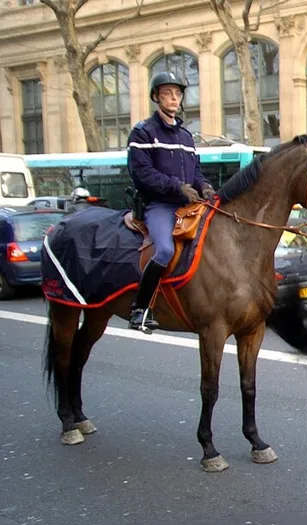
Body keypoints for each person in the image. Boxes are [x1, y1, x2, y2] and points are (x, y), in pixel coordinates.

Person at [126, 71, 215, 333]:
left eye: (177, 94)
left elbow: (195, 172)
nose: (174, 98)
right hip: (160, 206)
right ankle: (140, 310)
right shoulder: (143, 132)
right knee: (164, 250)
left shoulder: (186, 136)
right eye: (167, 93)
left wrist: (204, 186)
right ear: (156, 97)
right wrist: (176, 187)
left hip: (188, 205)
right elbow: (142, 174)